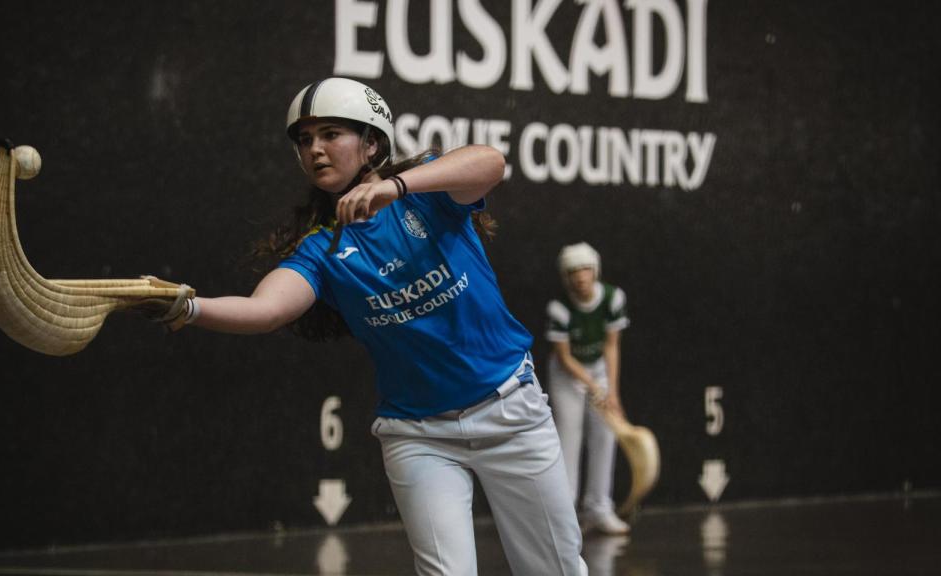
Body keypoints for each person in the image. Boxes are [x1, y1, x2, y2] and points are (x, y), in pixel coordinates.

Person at [151, 77, 587, 575]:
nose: (314, 149)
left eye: (331, 133)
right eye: (304, 140)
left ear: (372, 143)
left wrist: (396, 186)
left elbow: (491, 163)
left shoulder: (426, 192)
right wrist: (186, 307)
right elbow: (265, 310)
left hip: (511, 412)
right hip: (419, 435)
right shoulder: (321, 248)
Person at [545, 242, 631, 535]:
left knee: (606, 436)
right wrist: (594, 386)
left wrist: (613, 393)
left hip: (599, 371)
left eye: (585, 269)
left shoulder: (613, 298)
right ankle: (566, 517)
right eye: (573, 271)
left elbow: (612, 346)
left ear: (595, 271)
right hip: (567, 377)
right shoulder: (559, 308)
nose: (580, 276)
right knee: (569, 439)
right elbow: (565, 357)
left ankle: (598, 509)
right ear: (565, 277)